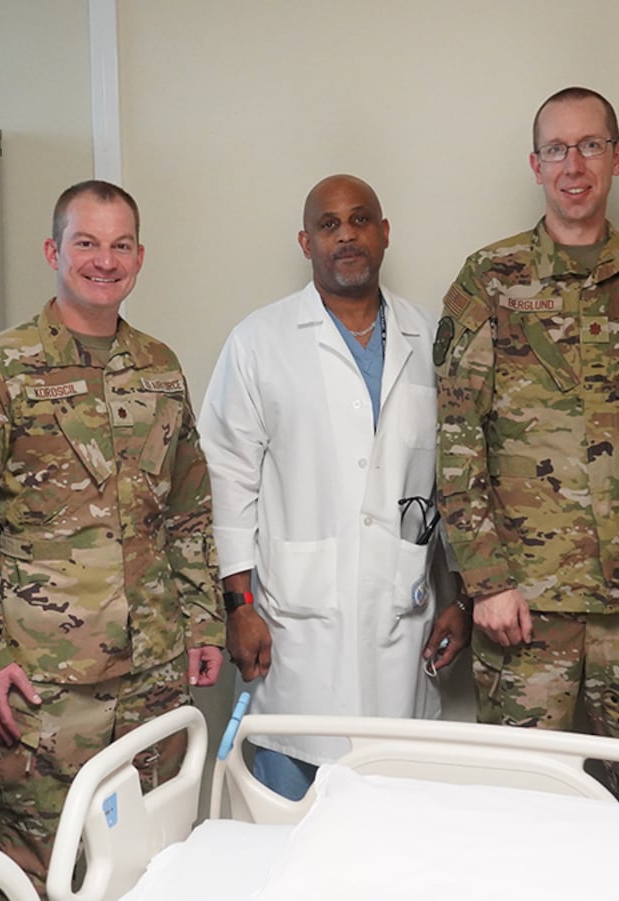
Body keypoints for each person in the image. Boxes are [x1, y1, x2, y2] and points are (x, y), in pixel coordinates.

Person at [0, 179, 223, 894]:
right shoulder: (1, 368)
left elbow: (187, 505)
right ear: (53, 250)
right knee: (40, 863)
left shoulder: (159, 366)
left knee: (151, 854)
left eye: (120, 244)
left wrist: (204, 620)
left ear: (140, 257)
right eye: (86, 242)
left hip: (154, 665)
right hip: (44, 678)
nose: (104, 259)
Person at [433, 86, 619, 821]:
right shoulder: (488, 279)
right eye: (556, 149)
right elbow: (458, 440)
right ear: (535, 164)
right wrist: (484, 581)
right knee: (522, 811)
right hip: (525, 605)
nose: (573, 164)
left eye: (590, 145)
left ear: (618, 156)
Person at [199, 174, 470, 800]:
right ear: (305, 241)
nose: (346, 234)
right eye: (329, 224)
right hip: (293, 634)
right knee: (288, 837)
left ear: (384, 233)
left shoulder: (433, 340)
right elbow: (227, 478)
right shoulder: (259, 343)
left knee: (392, 838)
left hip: (403, 627)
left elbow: (456, 479)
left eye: (360, 219)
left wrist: (460, 594)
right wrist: (239, 607)